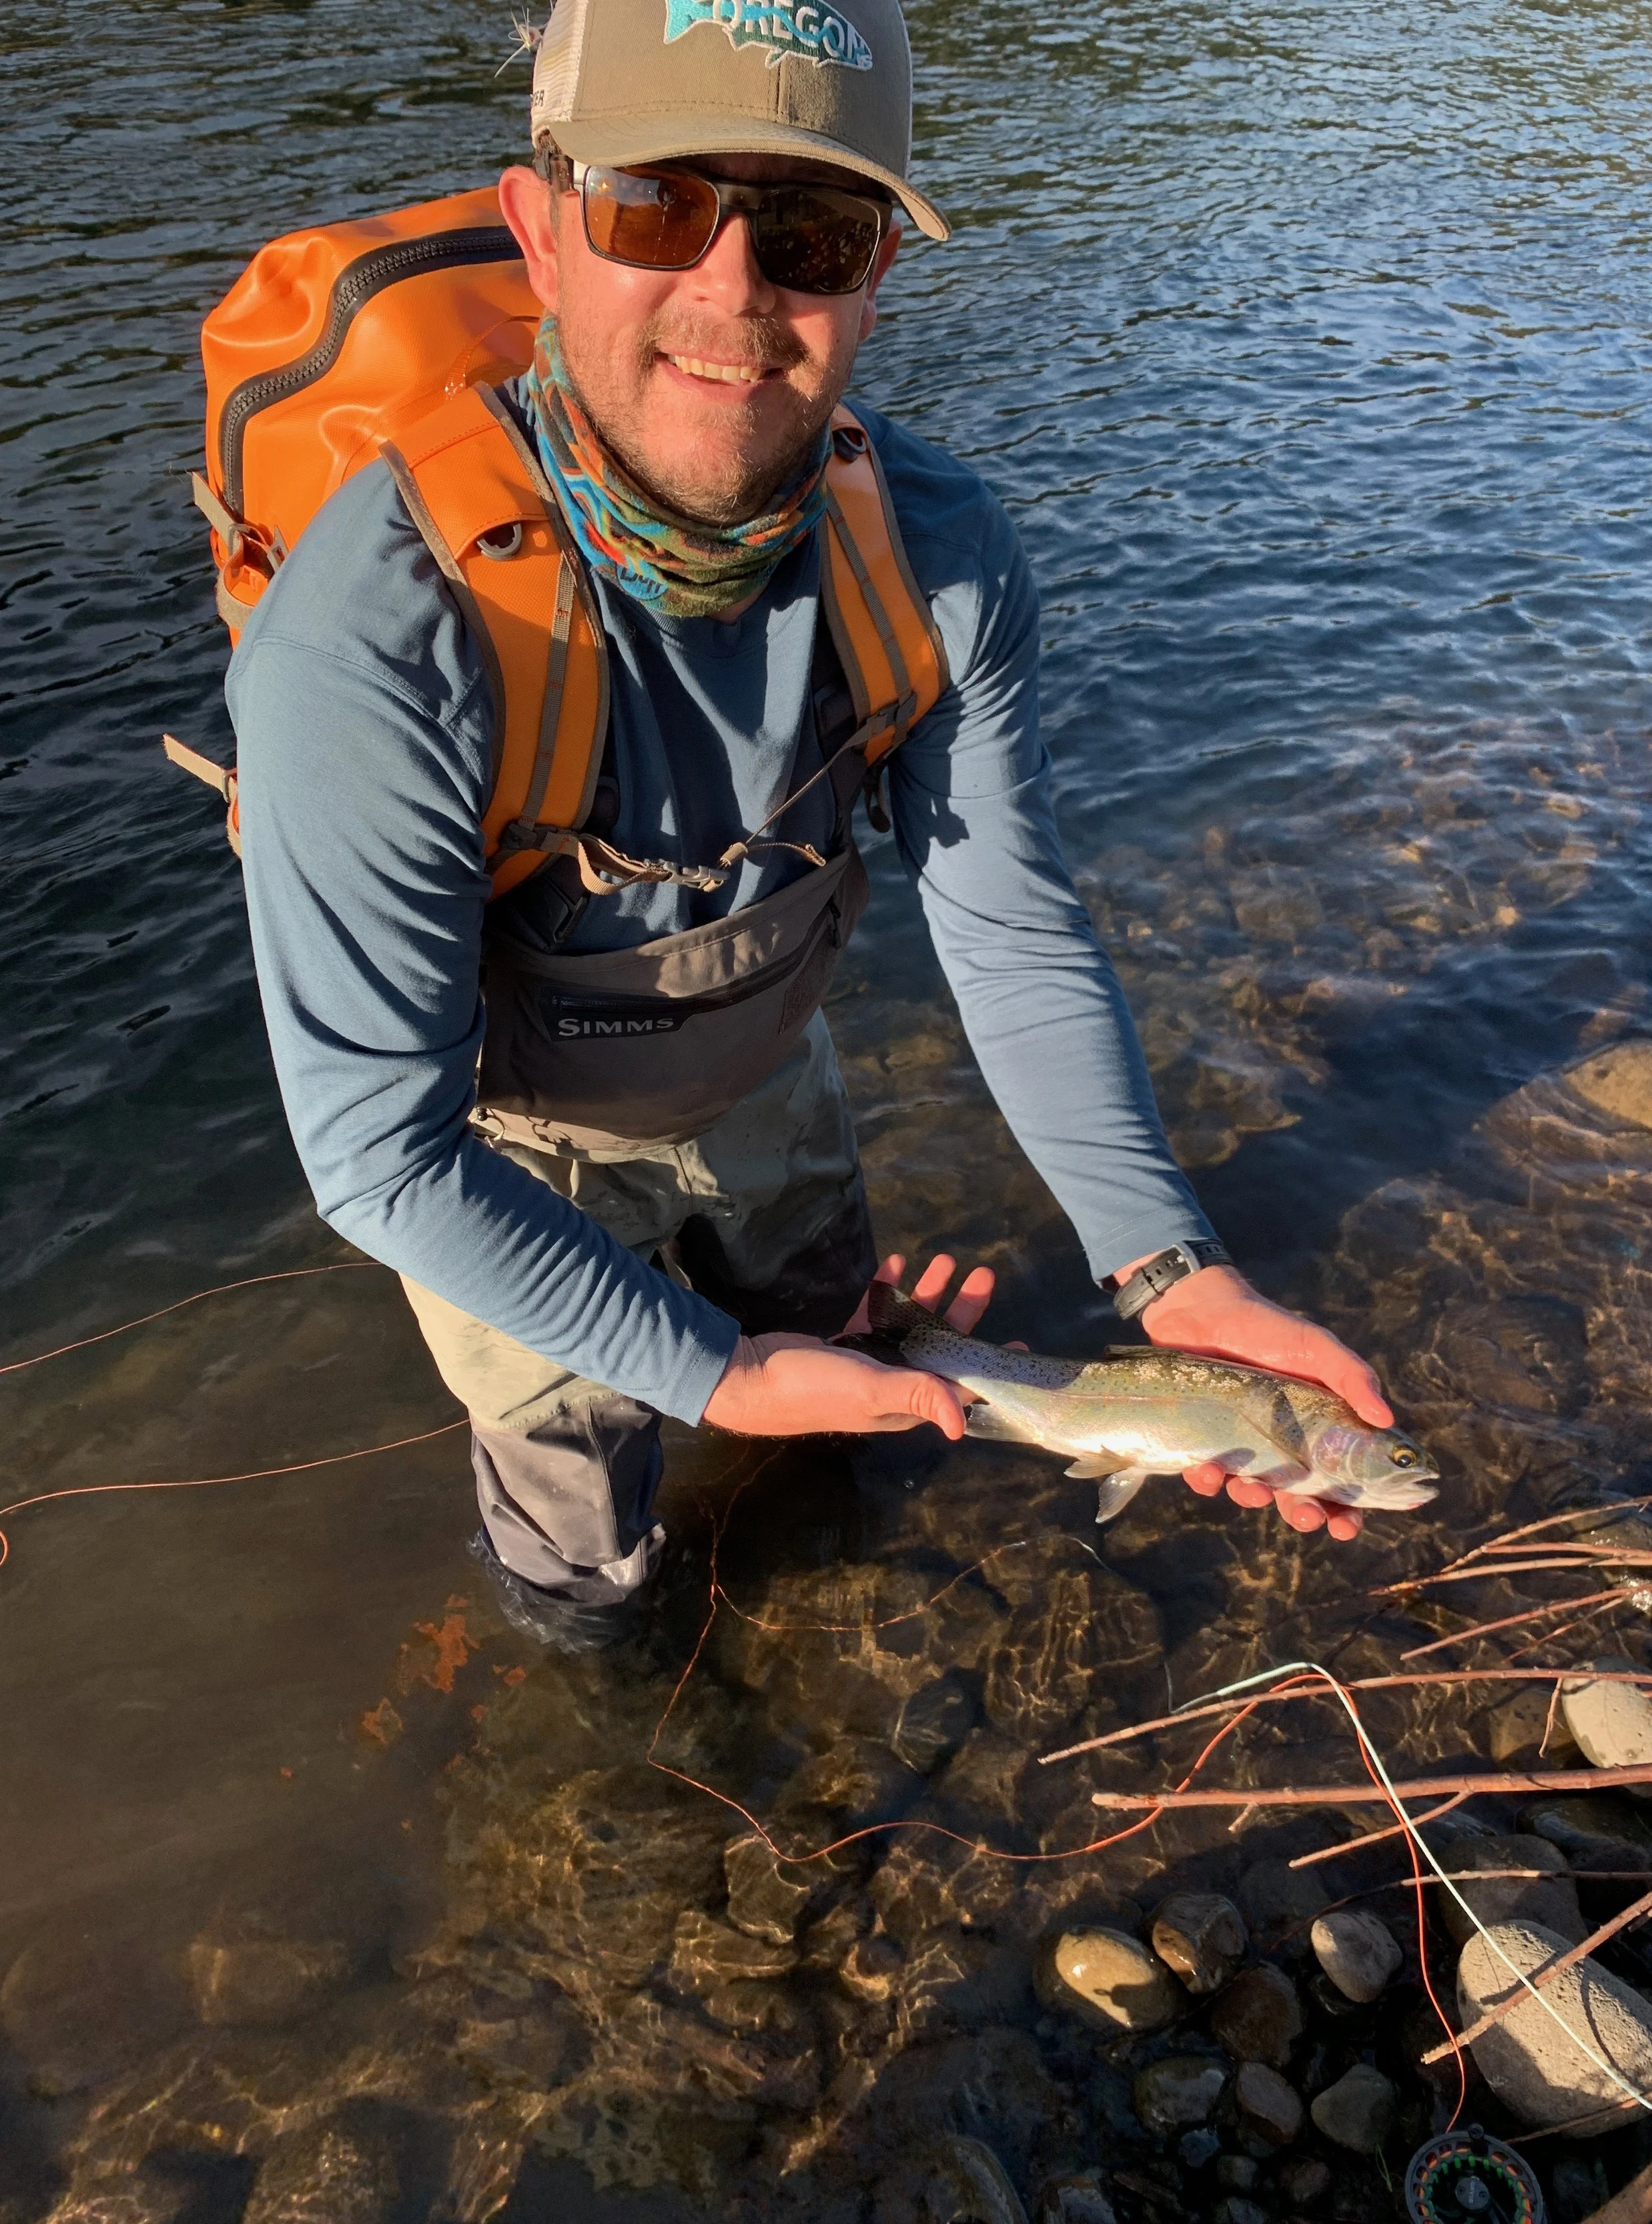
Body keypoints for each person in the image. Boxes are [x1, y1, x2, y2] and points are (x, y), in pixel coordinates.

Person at [227, 0, 1393, 1651]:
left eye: (811, 231)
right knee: (583, 1548)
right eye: (655, 206)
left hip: (771, 1070)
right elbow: (377, 1154)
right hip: (498, 1156)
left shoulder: (939, 556)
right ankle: (604, 1707)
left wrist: (1166, 1270)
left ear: (874, 274)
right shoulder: (374, 638)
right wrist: (713, 1376)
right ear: (539, 231)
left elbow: (1008, 929)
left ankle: (818, 1558)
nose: (732, 292)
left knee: (857, 1379)